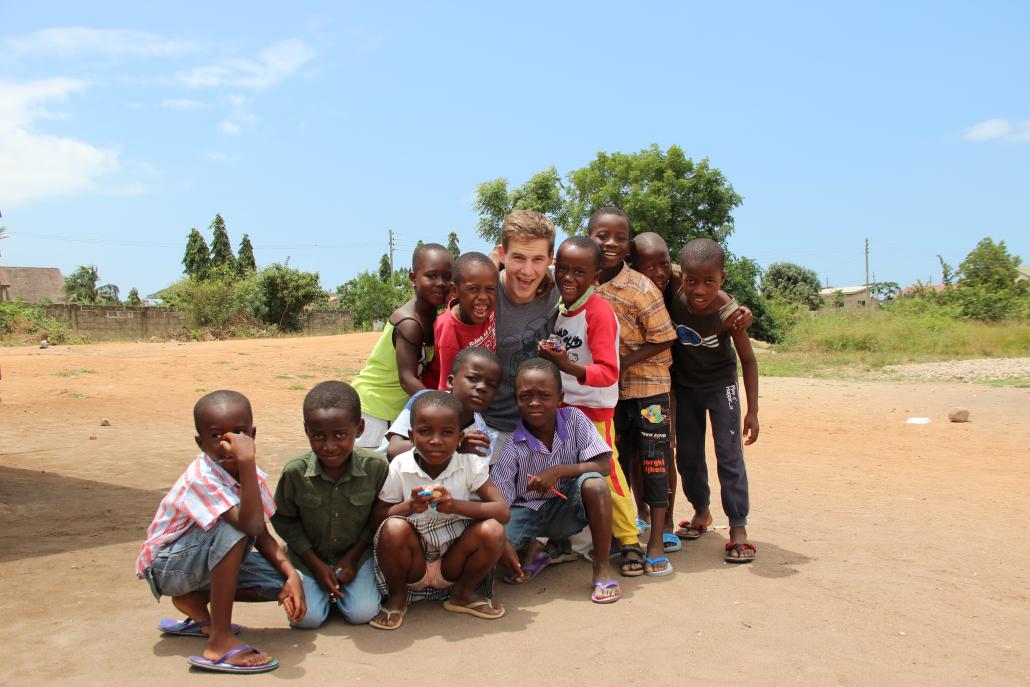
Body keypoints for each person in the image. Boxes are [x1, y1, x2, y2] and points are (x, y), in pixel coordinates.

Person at [137, 390, 305, 674]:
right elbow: (247, 526)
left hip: (200, 562)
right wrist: (248, 463)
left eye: (238, 433)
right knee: (234, 529)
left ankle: (194, 602)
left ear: (252, 434)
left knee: (282, 583)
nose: (228, 444)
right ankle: (219, 641)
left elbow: (261, 533)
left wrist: (292, 575)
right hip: (168, 568)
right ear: (200, 443)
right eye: (216, 436)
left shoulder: (250, 474)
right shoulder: (202, 477)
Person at [536, 237, 669, 576]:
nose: (567, 277)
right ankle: (568, 538)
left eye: (578, 272)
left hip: (593, 414)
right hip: (565, 411)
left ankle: (628, 541)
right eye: (562, 269)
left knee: (608, 476)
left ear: (595, 276)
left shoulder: (598, 312)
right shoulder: (563, 310)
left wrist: (567, 366)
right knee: (566, 475)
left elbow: (609, 371)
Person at [369, 391, 509, 630]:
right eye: (425, 432)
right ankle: (397, 597)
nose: (436, 440)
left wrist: (455, 506)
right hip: (413, 562)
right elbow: (376, 520)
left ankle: (464, 594)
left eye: (447, 433)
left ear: (460, 437)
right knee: (393, 528)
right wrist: (409, 507)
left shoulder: (470, 464)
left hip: (453, 561)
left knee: (493, 530)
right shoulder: (401, 466)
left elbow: (502, 512)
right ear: (411, 436)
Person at [588, 207, 677, 572]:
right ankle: (625, 539)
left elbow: (665, 337)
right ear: (588, 236)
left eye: (619, 238)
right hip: (609, 395)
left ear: (629, 247)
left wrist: (625, 361)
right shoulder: (582, 281)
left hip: (648, 389)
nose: (610, 243)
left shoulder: (640, 287)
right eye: (602, 236)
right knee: (617, 465)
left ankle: (655, 539)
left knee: (654, 461)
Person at [493, 359, 623, 603]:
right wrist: (500, 542)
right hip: (529, 515)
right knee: (493, 539)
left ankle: (602, 569)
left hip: (569, 509)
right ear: (516, 400)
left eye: (544, 395)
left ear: (560, 396)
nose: (534, 403)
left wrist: (560, 470)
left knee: (595, 484)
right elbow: (499, 502)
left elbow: (604, 465)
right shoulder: (511, 445)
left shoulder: (574, 419)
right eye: (525, 396)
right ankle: (540, 549)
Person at [261, 381, 388, 628]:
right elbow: (284, 520)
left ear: (359, 428)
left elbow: (378, 518)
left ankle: (345, 591)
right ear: (306, 431)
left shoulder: (376, 468)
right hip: (309, 557)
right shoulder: (295, 471)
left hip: (356, 556)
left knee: (361, 613)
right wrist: (316, 566)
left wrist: (351, 558)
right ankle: (320, 589)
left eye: (340, 435)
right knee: (306, 620)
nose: (329, 446)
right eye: (318, 436)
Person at [668, 238, 760, 563]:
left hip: (721, 387)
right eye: (692, 280)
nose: (699, 289)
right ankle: (701, 512)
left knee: (729, 454)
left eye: (710, 281)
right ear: (682, 277)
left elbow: (748, 360)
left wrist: (753, 411)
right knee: (688, 456)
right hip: (685, 388)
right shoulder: (673, 289)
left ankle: (738, 527)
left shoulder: (728, 312)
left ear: (722, 279)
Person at [352, 243, 453, 448]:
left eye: (447, 277)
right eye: (431, 276)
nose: (440, 283)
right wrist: (442, 409)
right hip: (373, 410)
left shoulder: (435, 317)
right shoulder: (409, 323)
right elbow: (407, 379)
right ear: (413, 279)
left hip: (393, 411)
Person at [482, 210, 560, 462]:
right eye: (518, 257)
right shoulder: (482, 295)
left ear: (551, 258)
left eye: (538, 259)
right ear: (502, 254)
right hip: (489, 428)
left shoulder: (564, 291)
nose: (528, 271)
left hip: (546, 430)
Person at [384, 347, 502, 460]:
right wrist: (457, 446)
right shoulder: (425, 401)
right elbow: (394, 451)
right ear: (451, 382)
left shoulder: (480, 432)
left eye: (491, 385)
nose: (482, 387)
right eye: (473, 378)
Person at [433, 252, 498, 390]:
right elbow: (447, 387)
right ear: (455, 291)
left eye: (490, 289)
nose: (483, 297)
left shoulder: (489, 308)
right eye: (473, 289)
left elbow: (498, 256)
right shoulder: (449, 330)